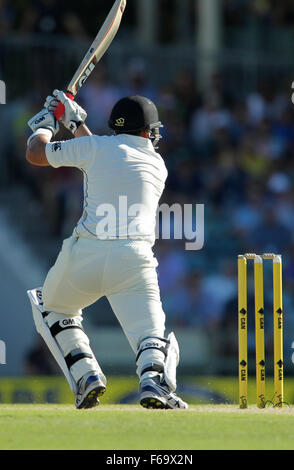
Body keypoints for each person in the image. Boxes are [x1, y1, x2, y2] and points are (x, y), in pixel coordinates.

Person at [26, 90, 188, 410]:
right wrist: (75, 123)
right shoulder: (157, 163)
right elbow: (106, 158)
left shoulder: (96, 147)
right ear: (147, 132)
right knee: (150, 336)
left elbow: (36, 153)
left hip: (85, 255)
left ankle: (85, 373)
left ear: (114, 127)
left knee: (50, 306)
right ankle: (153, 380)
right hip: (134, 260)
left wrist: (46, 125)